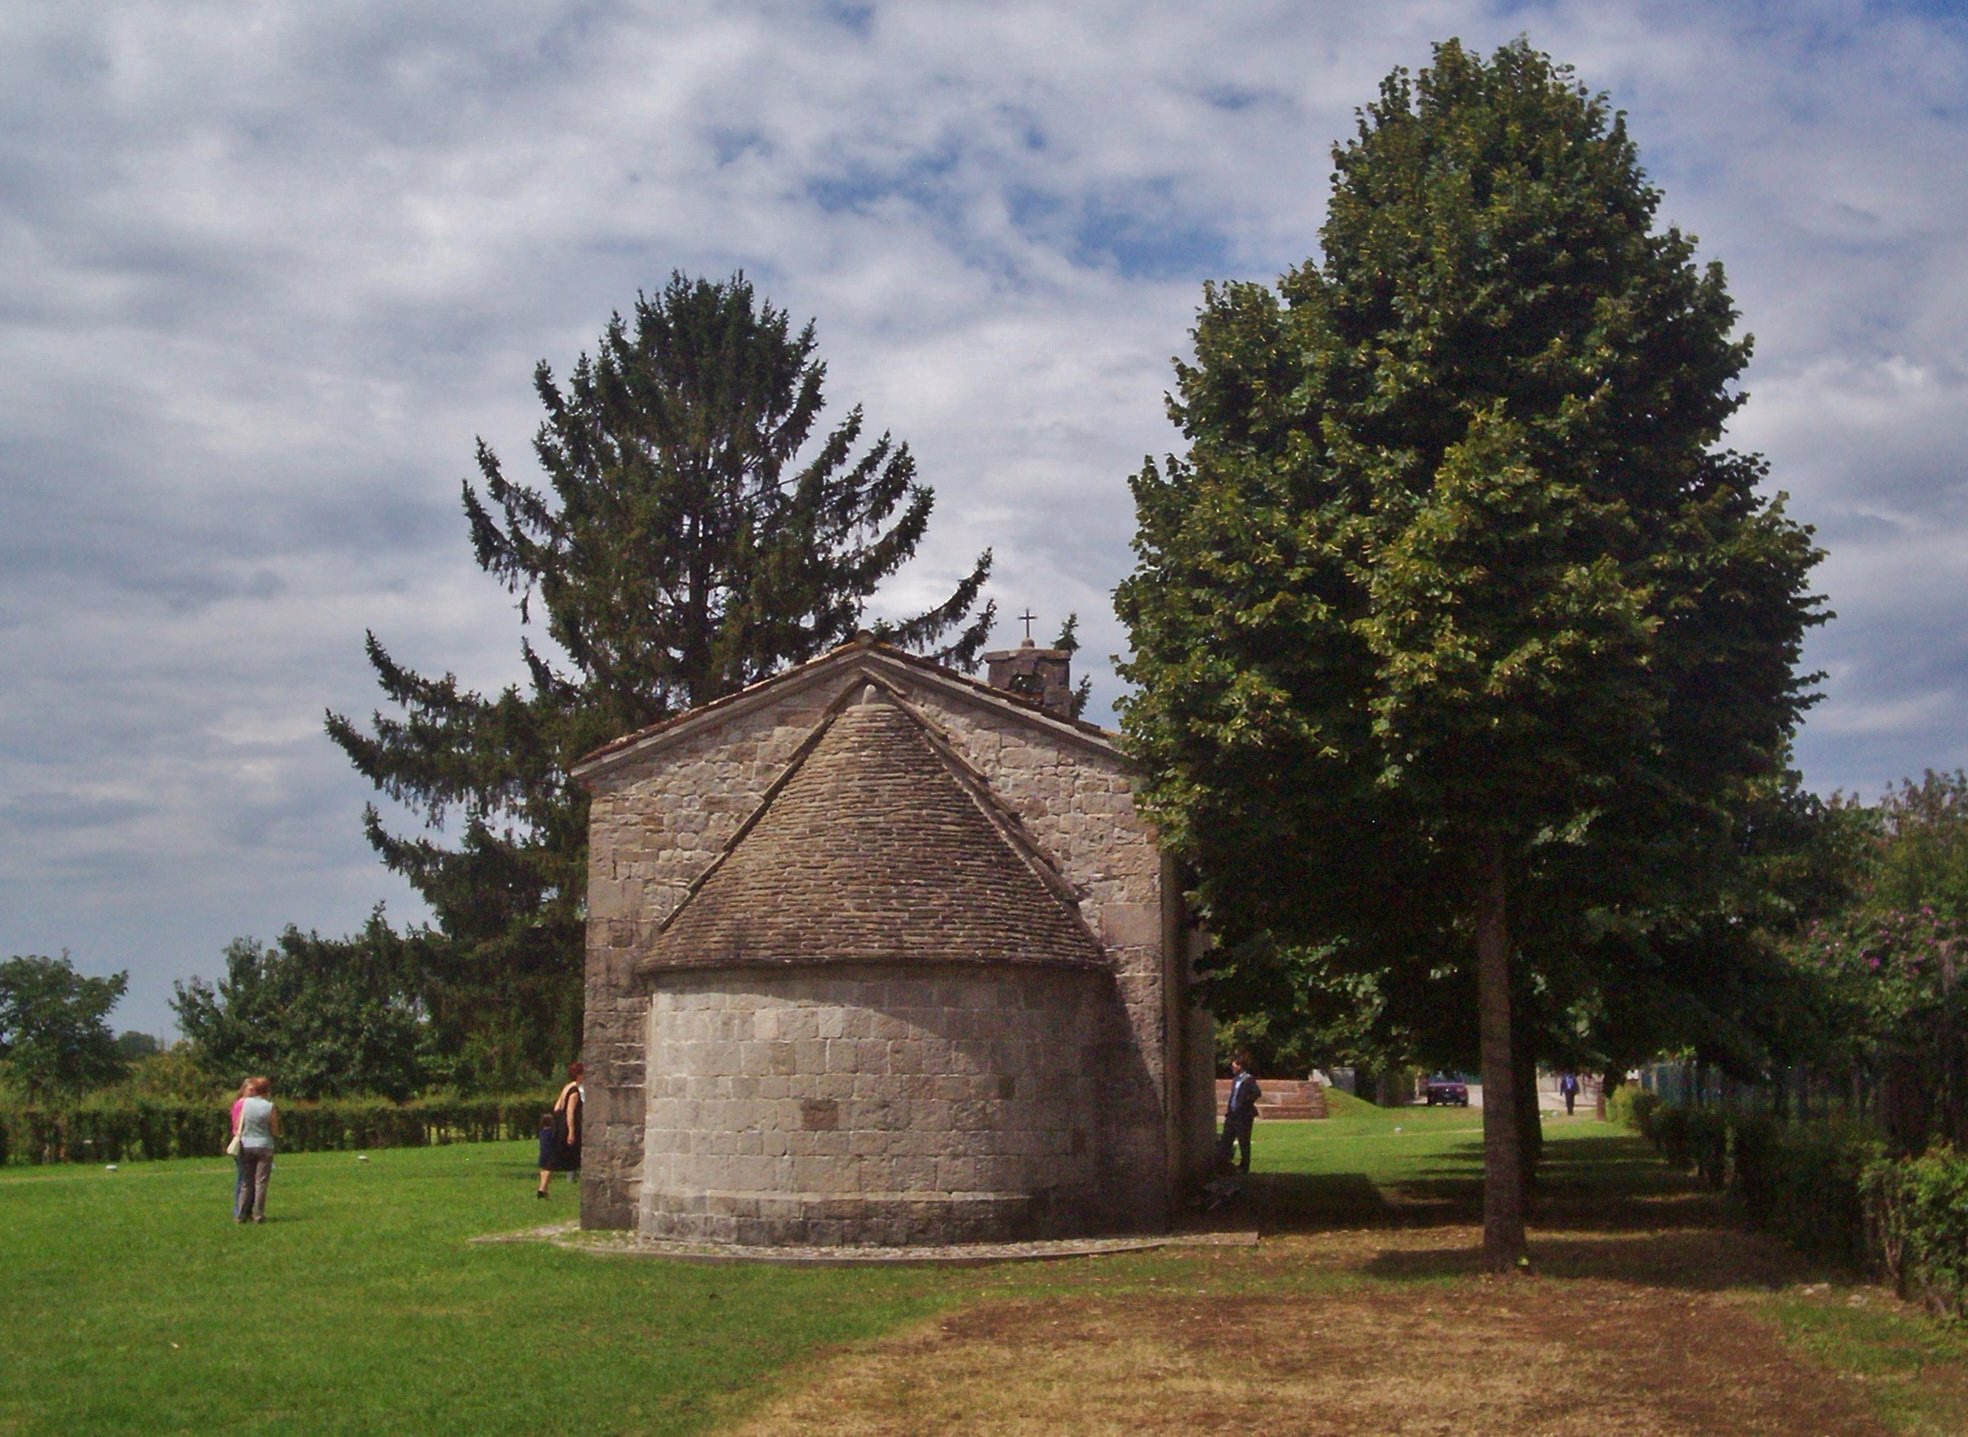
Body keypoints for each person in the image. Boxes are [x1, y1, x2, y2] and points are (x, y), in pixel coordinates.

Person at [536, 1062, 585, 1198]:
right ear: (579, 1075)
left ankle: (543, 1188)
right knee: (565, 1157)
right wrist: (571, 1131)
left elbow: (557, 1108)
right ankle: (544, 1188)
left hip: (557, 1124)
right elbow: (570, 1112)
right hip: (566, 1128)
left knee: (552, 1157)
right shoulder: (575, 1092)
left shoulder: (566, 1088)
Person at [235, 1076, 279, 1223]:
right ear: (267, 1090)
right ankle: (258, 1215)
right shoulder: (270, 1106)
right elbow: (275, 1130)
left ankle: (241, 1214)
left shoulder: (245, 1103)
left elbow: (238, 1123)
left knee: (246, 1182)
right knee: (260, 1183)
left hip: (247, 1144)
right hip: (264, 1145)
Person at [1217, 1052, 1261, 1175]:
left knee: (1243, 1141)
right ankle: (1223, 1164)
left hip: (1243, 1116)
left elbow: (1256, 1093)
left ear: (1240, 1066)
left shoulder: (1248, 1079)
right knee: (1226, 1140)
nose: (1232, 1067)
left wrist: (1245, 1103)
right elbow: (1233, 1096)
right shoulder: (1235, 1080)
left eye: (1234, 1064)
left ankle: (1244, 1166)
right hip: (1232, 1115)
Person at [228, 1078, 252, 1217]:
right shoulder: (241, 1104)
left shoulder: (244, 1104)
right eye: (250, 1089)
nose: (253, 1092)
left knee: (245, 1178)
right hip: (242, 1142)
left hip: (246, 1142)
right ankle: (239, 1210)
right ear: (243, 1090)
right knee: (242, 1177)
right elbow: (237, 1126)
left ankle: (244, 1209)